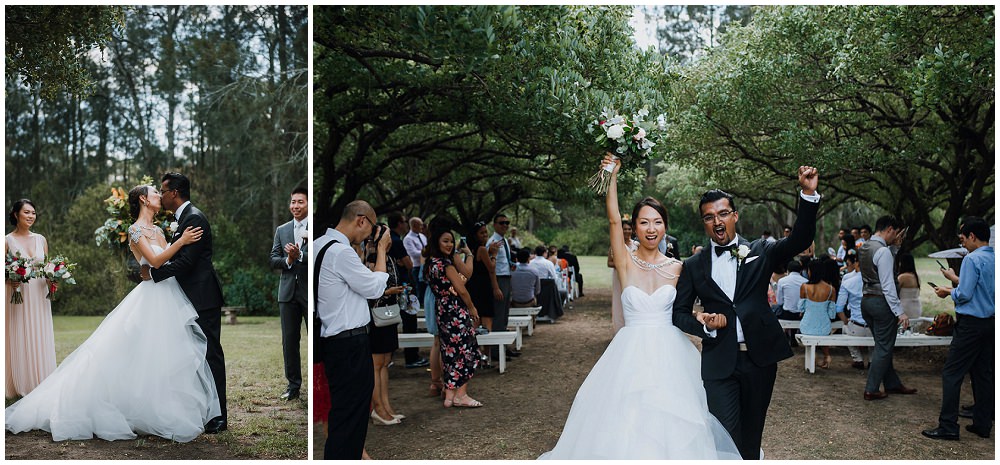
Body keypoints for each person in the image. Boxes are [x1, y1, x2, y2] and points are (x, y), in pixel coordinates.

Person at [540, 154, 740, 460]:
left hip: (670, 355)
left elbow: (684, 310)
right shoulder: (624, 261)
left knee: (674, 421)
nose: (651, 228)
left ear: (665, 227)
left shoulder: (678, 268)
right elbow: (611, 217)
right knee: (625, 420)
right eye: (644, 222)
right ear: (633, 226)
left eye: (657, 222)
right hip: (628, 354)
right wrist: (613, 177)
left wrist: (702, 317)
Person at [6, 185, 220, 441]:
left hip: (169, 293)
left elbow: (167, 262)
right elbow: (156, 260)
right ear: (143, 199)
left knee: (165, 352)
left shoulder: (160, 229)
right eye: (154, 193)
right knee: (137, 351)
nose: (159, 197)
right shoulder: (134, 230)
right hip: (151, 297)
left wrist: (177, 247)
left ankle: (162, 404)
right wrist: (182, 241)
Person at [674, 165, 820, 460]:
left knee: (751, 439)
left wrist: (807, 194)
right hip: (718, 362)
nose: (717, 221)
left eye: (723, 213)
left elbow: (800, 240)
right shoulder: (693, 265)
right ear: (704, 223)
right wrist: (704, 324)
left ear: (735, 216)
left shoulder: (760, 251)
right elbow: (679, 313)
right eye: (709, 217)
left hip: (759, 360)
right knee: (724, 437)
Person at [143, 172, 228, 433]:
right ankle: (203, 408)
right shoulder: (183, 219)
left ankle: (220, 416)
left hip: (202, 297)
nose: (161, 193)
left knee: (210, 353)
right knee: (192, 354)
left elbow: (187, 262)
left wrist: (154, 274)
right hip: (188, 297)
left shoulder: (194, 218)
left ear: (174, 193)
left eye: (163, 190)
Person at [314, 200, 390, 459]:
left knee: (341, 416)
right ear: (361, 220)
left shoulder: (317, 246)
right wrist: (381, 250)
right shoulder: (340, 253)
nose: (369, 236)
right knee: (351, 420)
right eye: (370, 230)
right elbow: (375, 288)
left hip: (332, 343)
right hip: (350, 346)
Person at [923, 217, 994, 441]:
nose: (962, 242)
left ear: (973, 237)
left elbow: (964, 294)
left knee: (952, 373)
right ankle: (983, 424)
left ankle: (948, 426)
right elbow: (980, 287)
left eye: (963, 238)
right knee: (983, 374)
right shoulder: (995, 258)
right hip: (991, 323)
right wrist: (956, 279)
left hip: (970, 324)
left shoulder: (972, 259)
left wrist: (948, 291)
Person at [858, 215, 916, 401]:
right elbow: (888, 284)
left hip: (866, 301)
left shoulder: (866, 246)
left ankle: (892, 383)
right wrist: (899, 311)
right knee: (884, 347)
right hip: (881, 303)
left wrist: (895, 247)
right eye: (897, 233)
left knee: (884, 345)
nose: (897, 237)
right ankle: (871, 389)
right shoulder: (882, 251)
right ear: (890, 229)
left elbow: (879, 265)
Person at [426, 227, 484, 408]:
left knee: (449, 352)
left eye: (451, 241)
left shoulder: (431, 263)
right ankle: (461, 395)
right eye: (445, 241)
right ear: (437, 242)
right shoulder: (446, 265)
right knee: (466, 352)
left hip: (442, 310)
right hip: (455, 310)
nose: (450, 244)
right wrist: (472, 307)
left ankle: (450, 395)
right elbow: (461, 288)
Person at [4, 199, 56, 398]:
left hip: (39, 294)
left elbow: (47, 267)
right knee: (20, 332)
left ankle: (42, 379)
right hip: (18, 294)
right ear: (16, 214)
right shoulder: (7, 241)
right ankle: (21, 381)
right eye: (26, 212)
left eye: (33, 213)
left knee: (40, 332)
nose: (31, 216)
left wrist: (53, 279)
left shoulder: (41, 239)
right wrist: (10, 280)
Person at [270, 186, 309, 401]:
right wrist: (289, 260)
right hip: (287, 293)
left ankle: (318, 384)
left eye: (300, 202)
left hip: (309, 292)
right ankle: (293, 386)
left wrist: (300, 255)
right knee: (289, 340)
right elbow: (273, 259)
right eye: (293, 202)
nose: (295, 206)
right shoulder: (282, 230)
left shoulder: (316, 228)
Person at [364, 231, 404, 426]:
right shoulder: (371, 259)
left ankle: (387, 406)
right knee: (376, 363)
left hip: (390, 313)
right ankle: (377, 409)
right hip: (376, 315)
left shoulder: (391, 258)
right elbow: (369, 291)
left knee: (386, 361)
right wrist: (388, 291)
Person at [387, 212, 426, 369]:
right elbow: (409, 263)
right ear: (398, 223)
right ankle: (411, 357)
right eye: (404, 221)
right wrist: (403, 262)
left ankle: (393, 356)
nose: (406, 224)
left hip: (395, 284)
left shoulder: (390, 240)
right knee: (410, 319)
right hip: (404, 285)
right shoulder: (396, 241)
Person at [798, 259, 847, 369]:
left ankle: (813, 356)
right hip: (824, 327)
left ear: (810, 271)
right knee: (822, 329)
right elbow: (831, 314)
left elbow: (800, 308)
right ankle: (827, 356)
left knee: (812, 327)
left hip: (807, 326)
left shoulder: (804, 287)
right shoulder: (831, 289)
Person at [486, 214, 514, 361]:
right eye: (502, 223)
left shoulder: (504, 241)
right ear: (495, 224)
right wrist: (495, 287)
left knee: (504, 315)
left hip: (506, 277)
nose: (505, 225)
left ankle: (504, 346)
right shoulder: (492, 242)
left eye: (507, 223)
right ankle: (496, 350)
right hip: (498, 279)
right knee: (498, 315)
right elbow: (491, 267)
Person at [466, 221, 500, 333]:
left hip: (472, 286)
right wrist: (494, 255)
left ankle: (475, 349)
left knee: (475, 319)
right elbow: (491, 268)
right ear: (475, 235)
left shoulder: (470, 249)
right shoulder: (482, 249)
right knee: (487, 320)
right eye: (482, 233)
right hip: (484, 287)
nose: (485, 235)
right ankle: (487, 350)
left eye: (486, 232)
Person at [837, 252, 869, 369]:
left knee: (845, 328)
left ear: (857, 264)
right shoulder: (879, 282)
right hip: (874, 327)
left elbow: (839, 308)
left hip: (857, 327)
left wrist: (846, 321)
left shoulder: (847, 282)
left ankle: (858, 359)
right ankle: (872, 359)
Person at [608, 219, 637, 334]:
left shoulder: (637, 245)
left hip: (634, 276)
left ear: (632, 230)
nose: (626, 231)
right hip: (619, 277)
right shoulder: (616, 245)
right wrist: (622, 265)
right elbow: (609, 262)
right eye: (624, 229)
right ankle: (619, 331)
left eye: (629, 229)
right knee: (619, 301)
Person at [896, 253, 923, 320]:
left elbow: (894, 292)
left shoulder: (902, 277)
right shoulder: (916, 277)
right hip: (916, 308)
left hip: (905, 308)